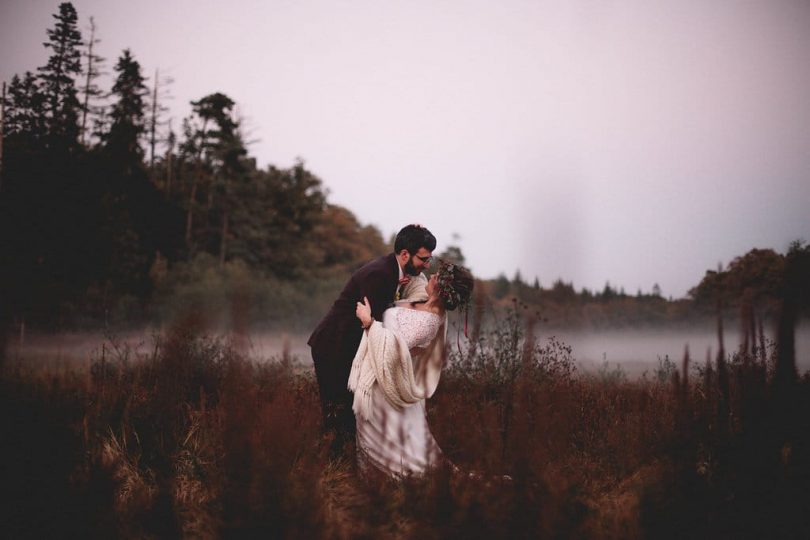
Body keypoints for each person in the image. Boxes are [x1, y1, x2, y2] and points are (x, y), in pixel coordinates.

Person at [308, 224, 437, 459]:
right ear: (405, 254)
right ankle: (330, 469)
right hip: (333, 347)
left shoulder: (398, 273)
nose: (427, 265)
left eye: (429, 259)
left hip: (347, 347)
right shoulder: (379, 274)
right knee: (337, 412)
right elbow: (375, 322)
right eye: (423, 259)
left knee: (345, 413)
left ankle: (341, 465)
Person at [349, 260, 474, 478]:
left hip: (385, 387)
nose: (432, 276)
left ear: (442, 288)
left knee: (394, 448)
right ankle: (374, 483)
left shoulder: (428, 322)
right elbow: (415, 276)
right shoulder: (422, 299)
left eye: (437, 277)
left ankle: (383, 486)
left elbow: (393, 351)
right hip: (378, 378)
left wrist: (369, 322)